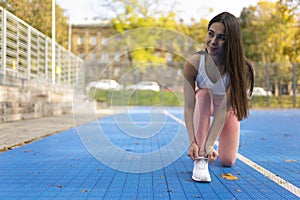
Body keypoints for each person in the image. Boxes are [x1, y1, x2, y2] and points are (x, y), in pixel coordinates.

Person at [183, 12, 254, 182]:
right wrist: (193, 141)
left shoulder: (241, 69)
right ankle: (200, 158)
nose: (213, 41)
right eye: (211, 34)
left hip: (227, 110)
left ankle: (208, 146)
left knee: (228, 161)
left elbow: (224, 109)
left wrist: (210, 143)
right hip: (203, 104)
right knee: (204, 93)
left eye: (221, 37)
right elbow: (189, 105)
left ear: (231, 42)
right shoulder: (193, 62)